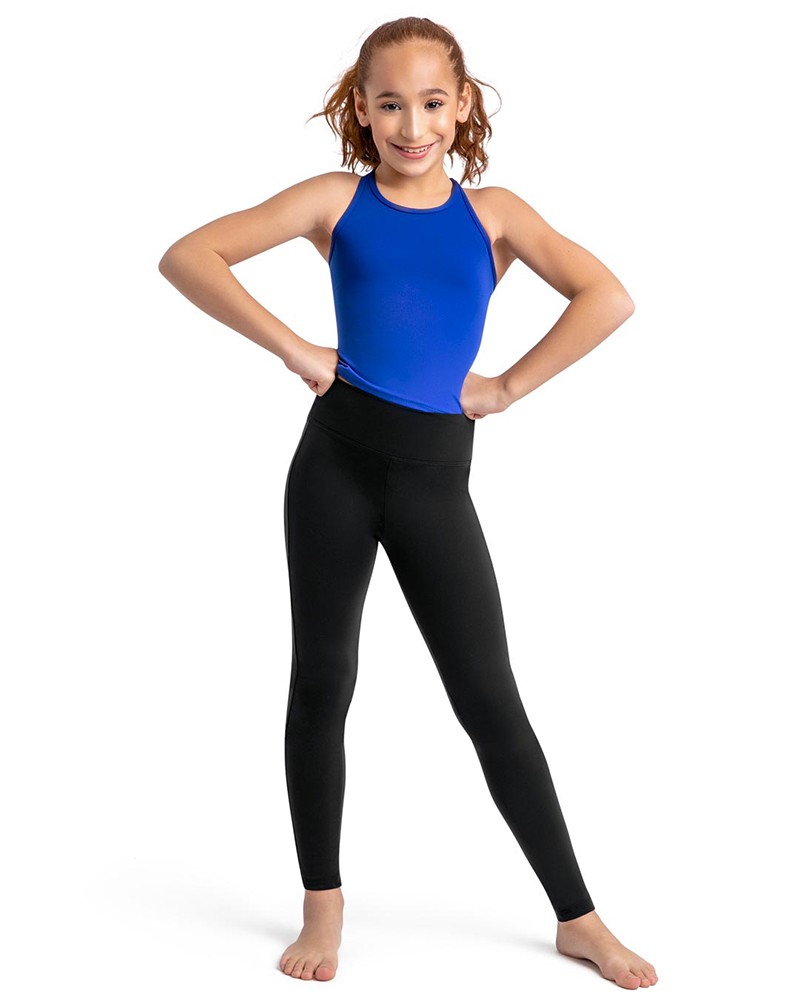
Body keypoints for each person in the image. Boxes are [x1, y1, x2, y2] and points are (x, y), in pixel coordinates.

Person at [158, 15, 658, 990]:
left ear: (462, 105)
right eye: (390, 104)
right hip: (334, 468)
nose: (412, 125)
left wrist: (505, 387)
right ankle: (323, 905)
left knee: (489, 700)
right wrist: (296, 349)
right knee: (322, 681)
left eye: (432, 103)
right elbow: (189, 255)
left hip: (435, 483)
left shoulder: (494, 216)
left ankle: (578, 917)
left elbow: (607, 296)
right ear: (361, 108)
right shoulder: (334, 200)